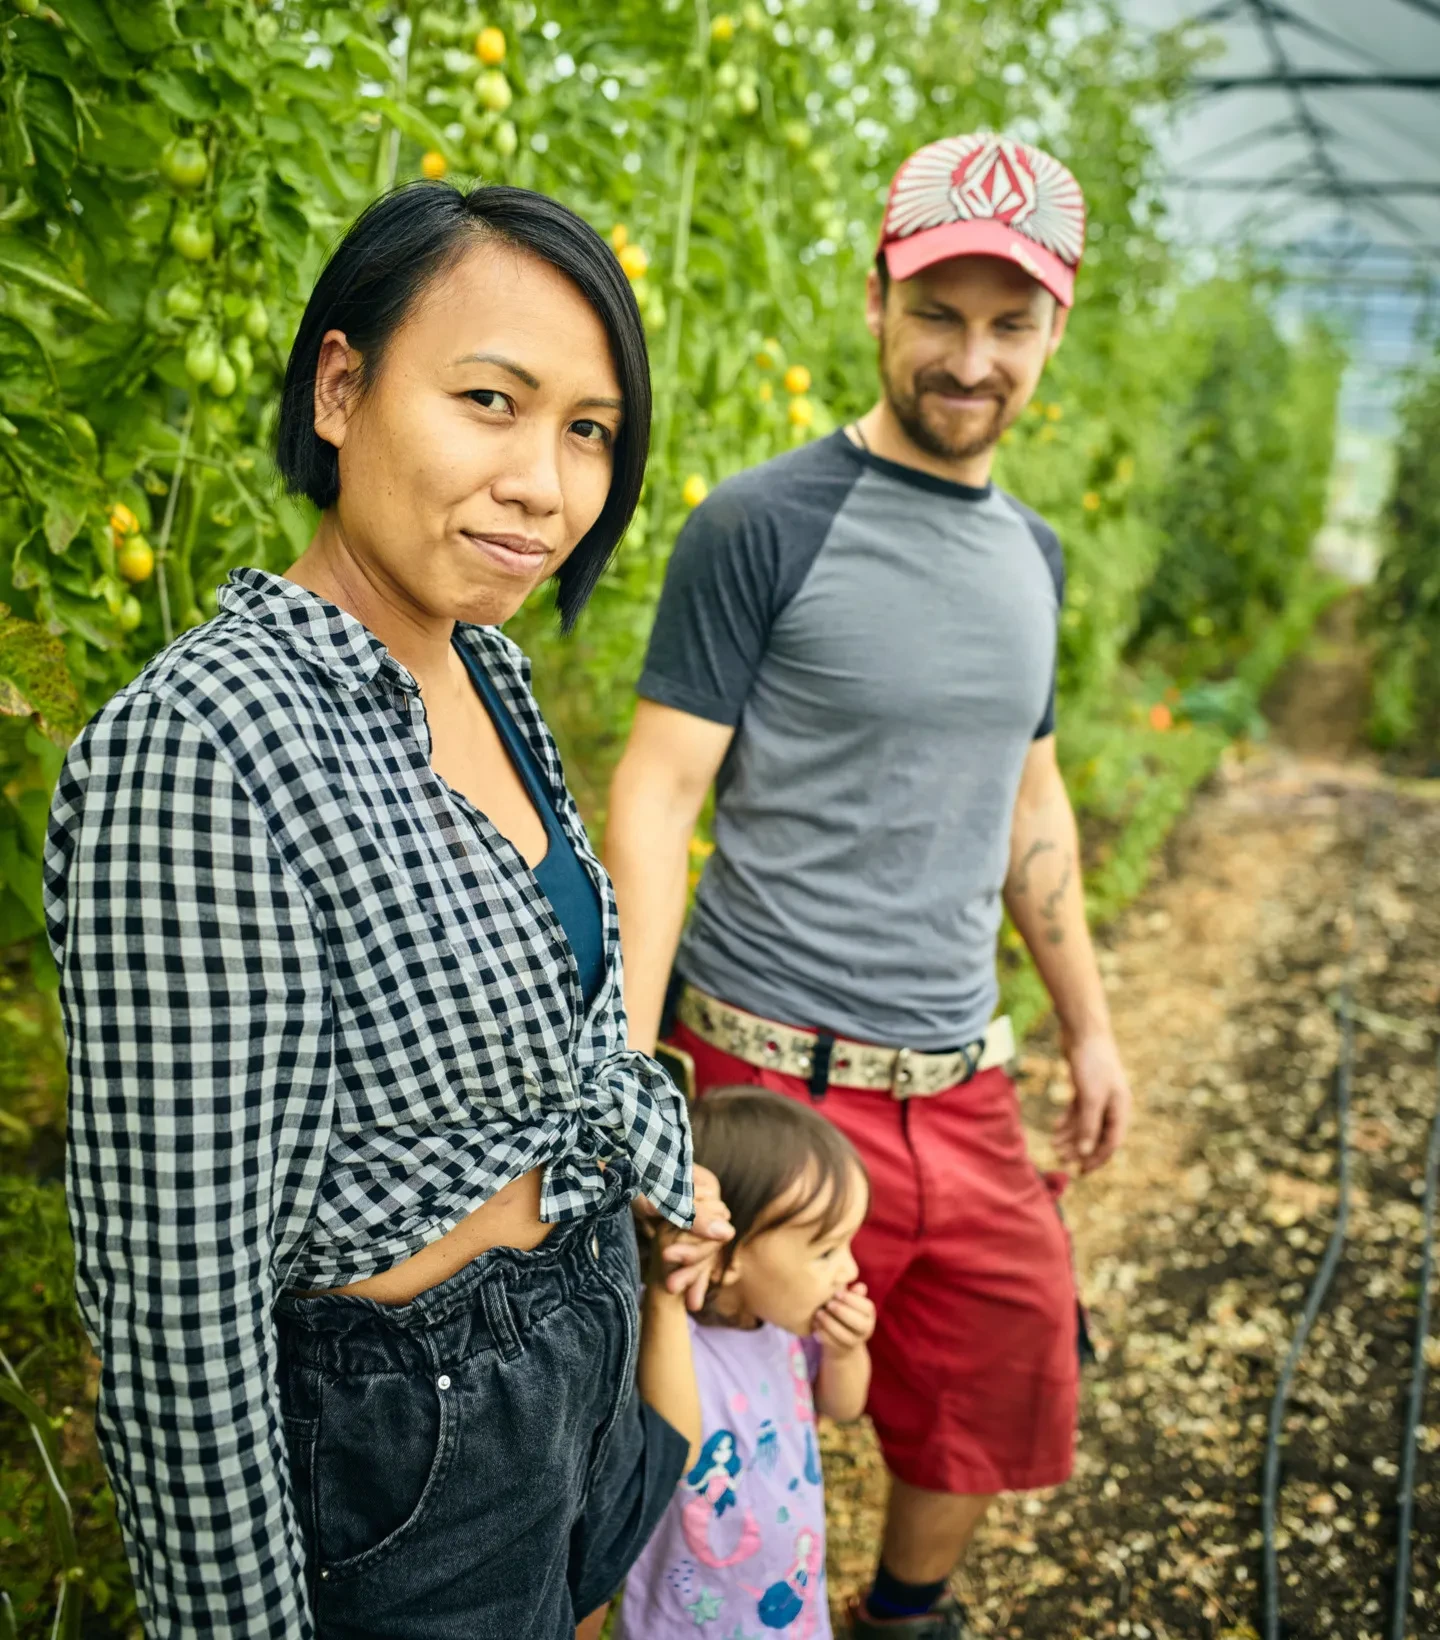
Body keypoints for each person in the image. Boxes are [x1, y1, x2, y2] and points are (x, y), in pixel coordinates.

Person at [45, 181, 734, 1640]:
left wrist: (653, 1172)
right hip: (409, 1460)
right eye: (492, 400)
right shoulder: (209, 745)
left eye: (589, 430)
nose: (545, 483)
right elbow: (179, 1319)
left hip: (570, 1369)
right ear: (342, 387)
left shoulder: (479, 670)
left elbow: (552, 1032)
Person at [604, 134, 1135, 1637]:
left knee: (995, 1347)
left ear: (1056, 327)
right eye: (940, 313)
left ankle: (905, 1611)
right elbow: (655, 794)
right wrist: (631, 1074)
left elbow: (1034, 806)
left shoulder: (1032, 553)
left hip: (959, 1076)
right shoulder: (761, 525)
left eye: (1009, 322)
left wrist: (1089, 1027)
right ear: (877, 300)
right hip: (772, 1079)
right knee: (712, 1408)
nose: (972, 358)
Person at [617, 1088, 875, 1640]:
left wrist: (847, 1350)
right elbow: (674, 1451)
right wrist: (666, 1292)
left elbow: (843, 1406)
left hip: (793, 1608)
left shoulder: (781, 1325)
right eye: (827, 1251)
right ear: (728, 1253)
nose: (848, 1269)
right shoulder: (670, 1338)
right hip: (690, 1623)